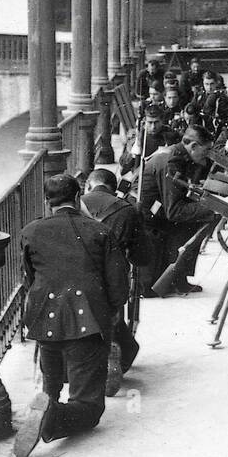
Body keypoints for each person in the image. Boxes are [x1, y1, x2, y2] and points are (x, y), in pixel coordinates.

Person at [15, 173, 126, 457]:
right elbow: (118, 287)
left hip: (43, 320)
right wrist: (110, 314)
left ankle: (48, 400)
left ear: (46, 201)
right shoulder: (99, 231)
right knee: (89, 406)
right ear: (78, 197)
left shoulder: (31, 231)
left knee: (52, 380)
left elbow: (29, 278)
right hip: (87, 321)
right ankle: (52, 415)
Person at [82, 167, 154, 394]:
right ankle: (111, 346)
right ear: (114, 189)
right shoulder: (127, 210)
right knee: (112, 317)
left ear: (88, 186)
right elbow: (142, 256)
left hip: (76, 277)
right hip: (111, 277)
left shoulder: (75, 206)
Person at [139, 124, 216, 296]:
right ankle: (176, 278)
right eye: (206, 150)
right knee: (195, 219)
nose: (208, 155)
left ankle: (179, 278)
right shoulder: (170, 162)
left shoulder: (181, 156)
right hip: (149, 220)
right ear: (193, 146)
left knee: (196, 217)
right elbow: (174, 211)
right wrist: (212, 208)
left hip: (158, 213)